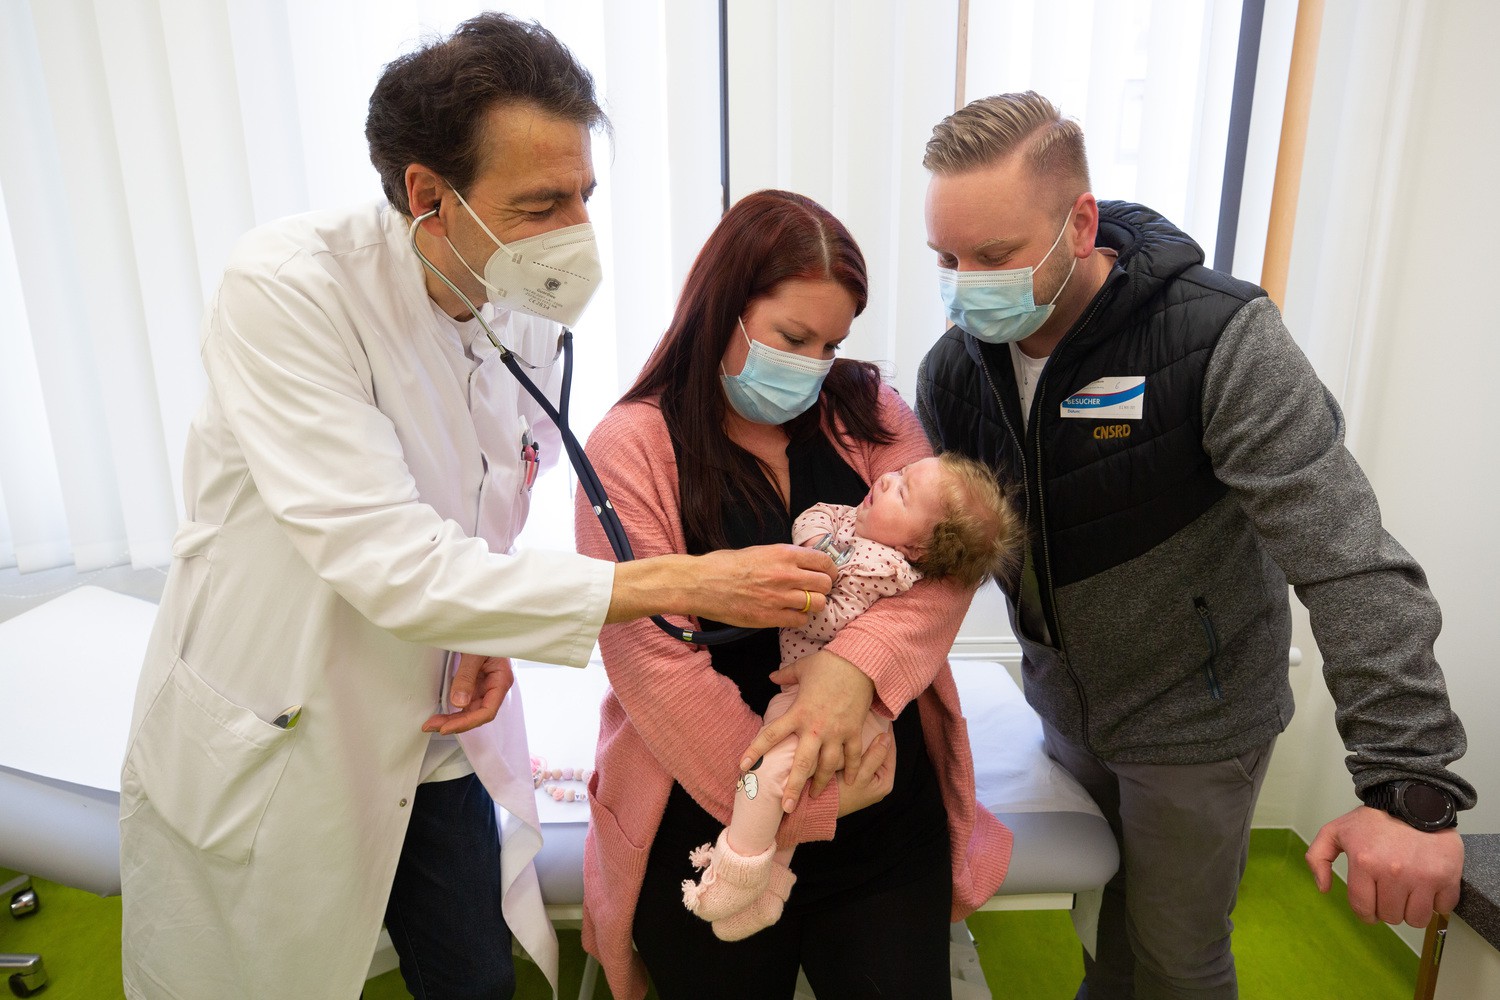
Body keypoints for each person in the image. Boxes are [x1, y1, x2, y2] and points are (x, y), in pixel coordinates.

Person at [117, 16, 836, 1000]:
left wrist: (490, 627)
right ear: (427, 196)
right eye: (541, 203)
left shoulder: (515, 294)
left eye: (584, 195)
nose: (573, 234)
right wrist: (686, 582)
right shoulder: (288, 294)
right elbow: (391, 561)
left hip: (437, 713)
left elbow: (492, 490)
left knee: (472, 973)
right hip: (281, 720)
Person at [914, 91, 1475, 999]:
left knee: (1177, 958)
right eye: (945, 258)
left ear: (1079, 223)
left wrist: (1409, 782)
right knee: (1106, 935)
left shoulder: (1219, 338)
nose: (965, 282)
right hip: (1067, 707)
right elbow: (937, 550)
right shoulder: (954, 368)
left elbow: (1347, 554)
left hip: (1197, 716)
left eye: (994, 256)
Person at [575, 189, 1013, 1000]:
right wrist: (801, 807)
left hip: (884, 817)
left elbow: (946, 570)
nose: (815, 367)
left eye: (833, 342)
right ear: (723, 311)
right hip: (715, 825)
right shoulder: (631, 448)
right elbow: (654, 666)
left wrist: (853, 670)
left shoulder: (868, 411)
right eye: (792, 339)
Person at [681, 452, 1018, 942]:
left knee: (772, 773)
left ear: (917, 548)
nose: (885, 479)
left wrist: (817, 563)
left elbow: (824, 615)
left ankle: (734, 870)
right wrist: (820, 538)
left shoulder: (885, 566)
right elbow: (814, 514)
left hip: (853, 715)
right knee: (795, 779)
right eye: (899, 474)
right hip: (801, 692)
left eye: (901, 493)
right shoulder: (859, 529)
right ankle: (769, 890)